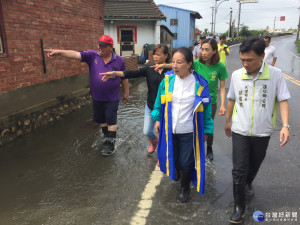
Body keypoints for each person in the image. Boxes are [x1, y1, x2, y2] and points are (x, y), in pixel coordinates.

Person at [225, 37, 290, 224]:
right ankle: (239, 207)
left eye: (249, 60)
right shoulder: (237, 75)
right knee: (238, 169)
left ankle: (248, 181)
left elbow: (283, 100)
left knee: (254, 164)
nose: (245, 64)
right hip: (240, 130)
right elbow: (231, 99)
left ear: (262, 56)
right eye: (242, 60)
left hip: (263, 131)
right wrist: (228, 121)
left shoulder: (276, 75)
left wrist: (285, 126)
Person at [44, 35, 129, 156]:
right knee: (102, 121)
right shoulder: (92, 56)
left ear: (111, 47)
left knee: (111, 120)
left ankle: (110, 146)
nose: (100, 48)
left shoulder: (119, 61)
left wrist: (126, 93)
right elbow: (75, 55)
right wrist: (58, 52)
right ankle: (108, 137)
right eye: (99, 45)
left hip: (112, 97)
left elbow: (124, 78)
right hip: (97, 97)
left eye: (103, 46)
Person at [151, 47, 214, 203]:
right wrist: (158, 119)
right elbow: (159, 102)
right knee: (172, 156)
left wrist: (206, 131)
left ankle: (185, 189)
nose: (174, 65)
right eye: (173, 61)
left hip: (189, 131)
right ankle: (177, 173)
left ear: (189, 64)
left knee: (186, 160)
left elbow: (206, 112)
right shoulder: (167, 80)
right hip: (169, 129)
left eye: (179, 62)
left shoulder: (200, 84)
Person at [101, 44, 171, 154]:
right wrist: (114, 73)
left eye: (158, 55)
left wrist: (166, 66)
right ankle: (154, 142)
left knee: (163, 132)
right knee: (147, 131)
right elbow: (131, 73)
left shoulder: (172, 71)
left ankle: (162, 155)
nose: (155, 57)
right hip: (151, 105)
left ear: (166, 55)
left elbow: (187, 67)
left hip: (167, 107)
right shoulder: (149, 69)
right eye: (154, 55)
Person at [193, 38, 229, 161]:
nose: (203, 52)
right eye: (202, 49)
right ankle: (196, 148)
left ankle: (209, 147)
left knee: (208, 126)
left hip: (211, 103)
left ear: (214, 51)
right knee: (195, 125)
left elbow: (223, 88)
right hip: (195, 102)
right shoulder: (196, 64)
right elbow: (180, 65)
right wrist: (164, 65)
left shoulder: (220, 66)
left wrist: (223, 105)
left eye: (207, 50)